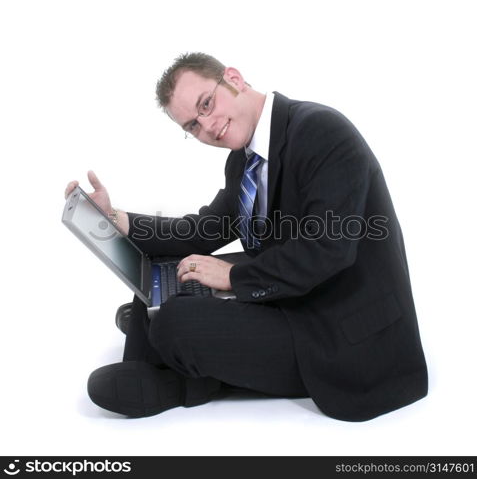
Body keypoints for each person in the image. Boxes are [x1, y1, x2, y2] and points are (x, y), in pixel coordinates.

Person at [64, 52, 428, 422]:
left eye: (206, 104)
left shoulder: (322, 131)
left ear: (234, 79)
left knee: (175, 321)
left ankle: (180, 377)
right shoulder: (244, 160)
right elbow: (202, 231)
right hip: (296, 298)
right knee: (167, 276)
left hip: (341, 329)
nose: (207, 125)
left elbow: (327, 248)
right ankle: (160, 339)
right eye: (192, 125)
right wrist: (115, 219)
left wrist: (232, 277)